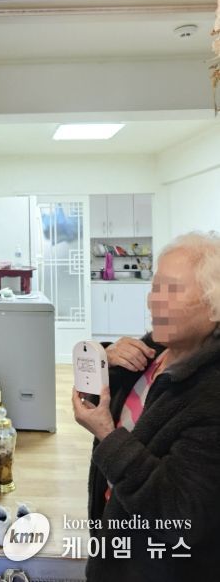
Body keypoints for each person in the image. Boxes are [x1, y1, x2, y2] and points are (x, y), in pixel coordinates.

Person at [72, 232, 220, 582]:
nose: (155, 302)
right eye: (155, 288)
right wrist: (104, 363)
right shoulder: (154, 352)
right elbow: (108, 406)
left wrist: (107, 435)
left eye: (173, 290)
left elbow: (179, 515)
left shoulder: (211, 395)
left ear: (215, 306)